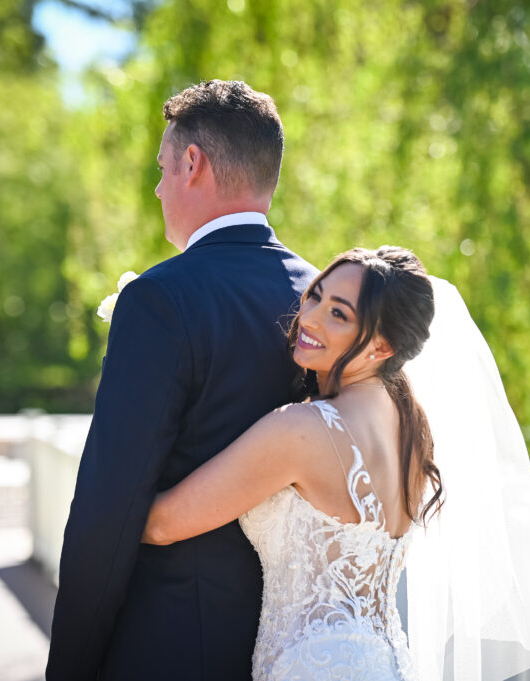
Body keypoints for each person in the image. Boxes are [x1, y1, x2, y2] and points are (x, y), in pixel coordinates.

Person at [46, 80, 319, 681]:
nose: (157, 186)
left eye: (163, 168)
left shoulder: (160, 299)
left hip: (172, 643)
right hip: (300, 642)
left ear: (193, 163)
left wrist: (67, 666)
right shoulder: (328, 299)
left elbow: (108, 508)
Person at [142, 246, 442, 681]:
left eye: (338, 314)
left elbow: (162, 524)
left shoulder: (301, 430)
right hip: (387, 661)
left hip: (316, 668)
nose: (310, 317)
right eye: (315, 295)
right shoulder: (411, 431)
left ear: (382, 345)